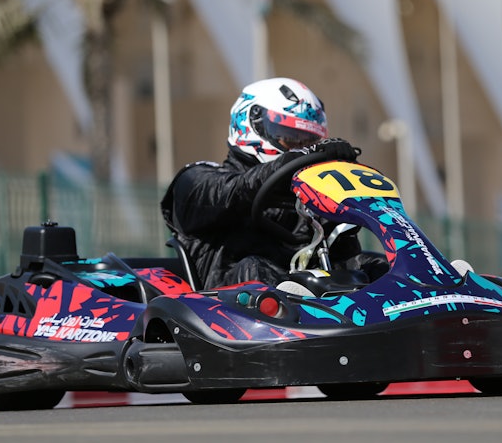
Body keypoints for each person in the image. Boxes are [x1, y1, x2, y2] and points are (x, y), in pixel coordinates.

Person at [161, 77, 387, 290]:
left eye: (310, 141)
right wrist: (296, 160)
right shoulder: (197, 179)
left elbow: (344, 258)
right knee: (255, 268)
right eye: (291, 138)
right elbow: (238, 189)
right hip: (228, 305)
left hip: (311, 298)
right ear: (251, 125)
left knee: (378, 267)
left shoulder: (310, 196)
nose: (302, 147)